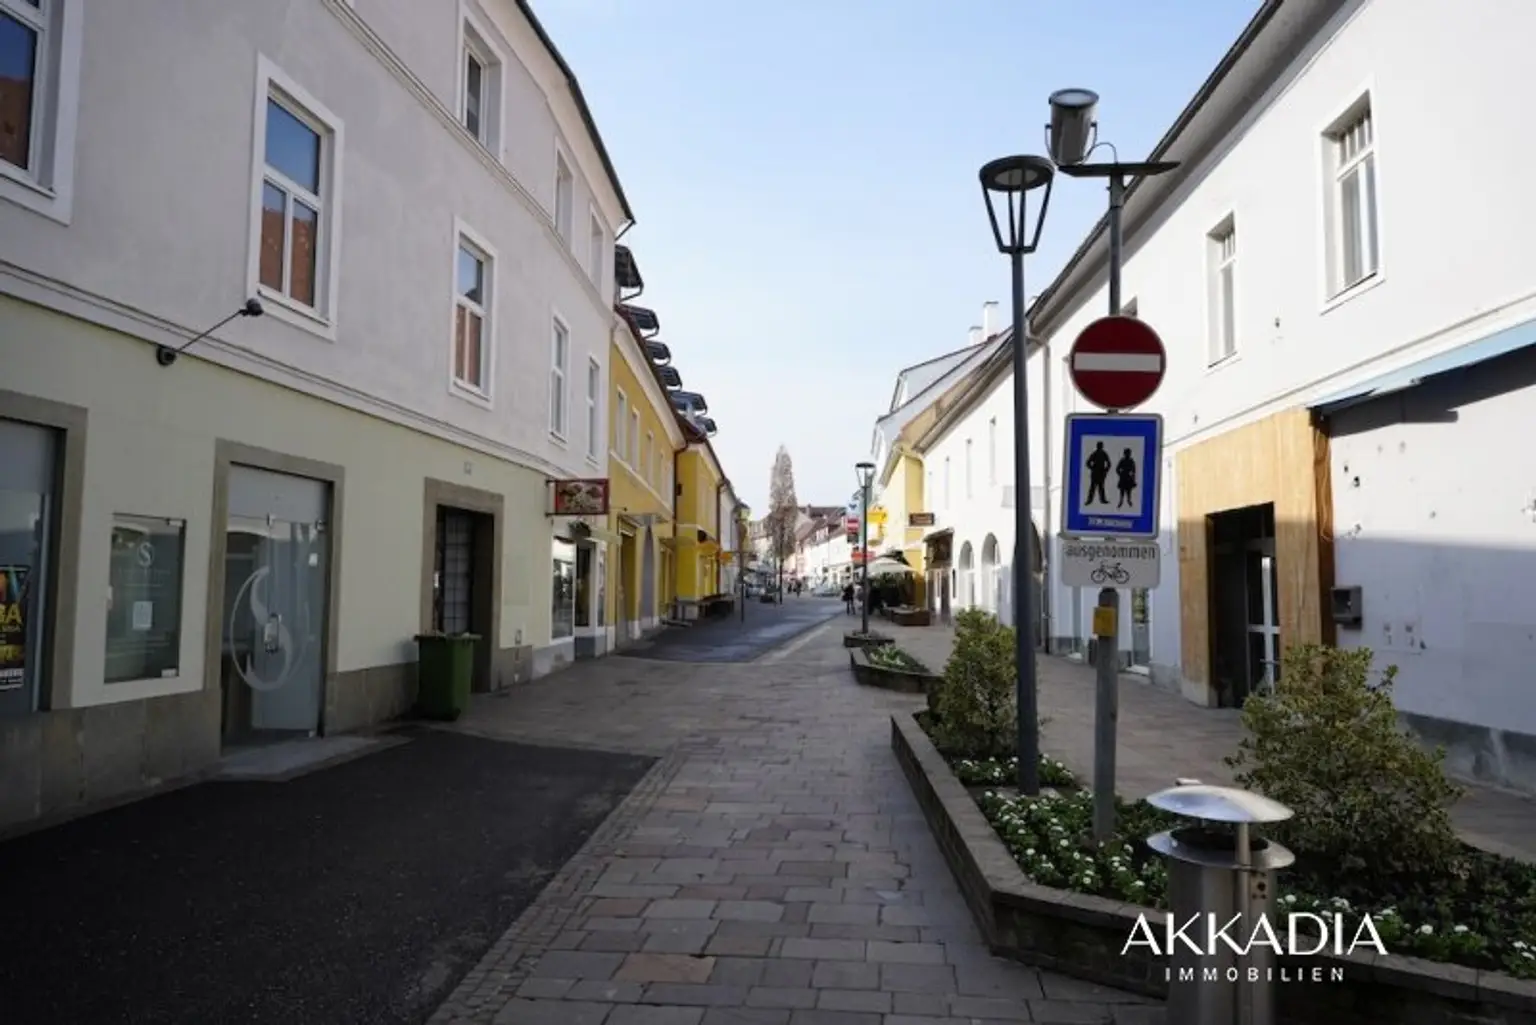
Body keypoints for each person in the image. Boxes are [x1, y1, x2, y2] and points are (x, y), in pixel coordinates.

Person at [1085, 441, 1111, 505]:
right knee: (1093, 487)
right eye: (1099, 445)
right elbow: (1088, 462)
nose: (1100, 447)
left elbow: (1109, 463)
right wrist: (1092, 468)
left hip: (1101, 473)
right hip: (1095, 473)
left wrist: (1105, 470)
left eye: (1101, 445)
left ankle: (1103, 500)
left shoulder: (1104, 453)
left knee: (1101, 487)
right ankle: (1089, 500)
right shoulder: (1095, 453)